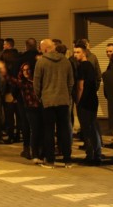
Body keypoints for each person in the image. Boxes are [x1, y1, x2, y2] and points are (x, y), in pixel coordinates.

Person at [33, 38, 74, 168]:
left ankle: (50, 160)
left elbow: (36, 83)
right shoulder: (66, 61)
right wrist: (66, 94)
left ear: (45, 49)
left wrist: (40, 96)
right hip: (63, 100)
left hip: (48, 101)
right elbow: (71, 82)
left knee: (48, 131)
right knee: (64, 130)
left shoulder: (41, 62)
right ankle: (67, 160)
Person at [74, 40, 102, 166]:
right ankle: (97, 154)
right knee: (93, 127)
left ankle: (91, 155)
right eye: (74, 52)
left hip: (85, 102)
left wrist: (78, 101)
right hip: (93, 100)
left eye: (78, 52)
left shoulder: (82, 67)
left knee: (87, 129)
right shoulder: (90, 66)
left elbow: (80, 86)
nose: (75, 54)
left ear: (84, 53)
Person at [16, 61, 44, 163]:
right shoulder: (23, 82)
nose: (26, 72)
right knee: (34, 130)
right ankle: (34, 153)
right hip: (30, 109)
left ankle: (40, 152)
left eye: (28, 70)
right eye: (24, 70)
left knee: (41, 130)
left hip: (40, 108)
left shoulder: (36, 80)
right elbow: (12, 81)